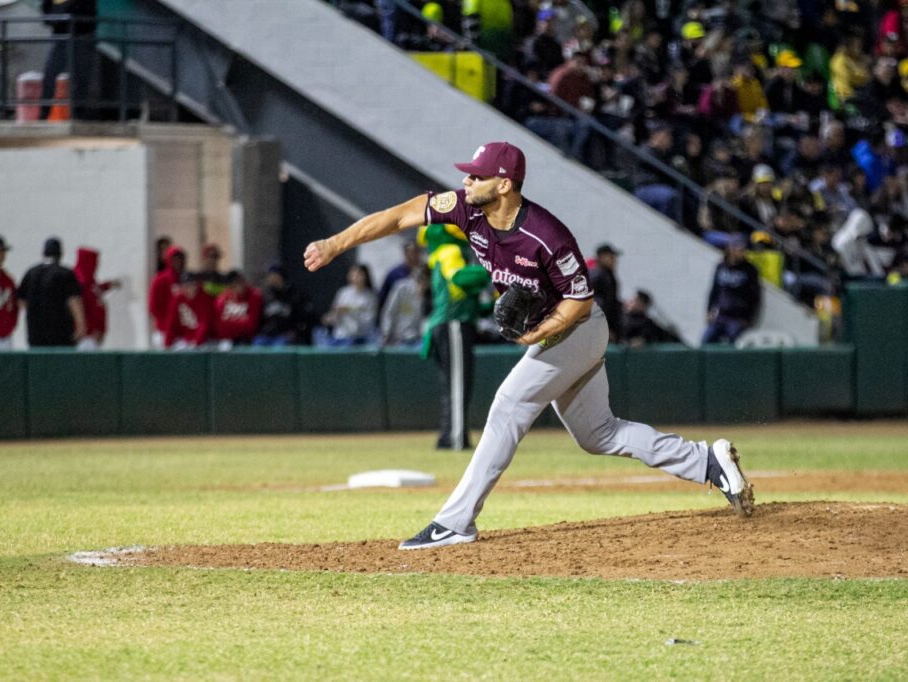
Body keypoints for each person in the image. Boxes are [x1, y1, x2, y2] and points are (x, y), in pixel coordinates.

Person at [303, 141, 754, 550]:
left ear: (503, 184)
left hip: (577, 330)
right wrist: (334, 243)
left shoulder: (546, 235)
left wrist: (533, 336)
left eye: (476, 175)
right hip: (562, 333)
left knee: (507, 405)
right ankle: (706, 462)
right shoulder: (465, 208)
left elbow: (580, 301)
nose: (466, 181)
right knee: (600, 435)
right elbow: (398, 215)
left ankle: (456, 522)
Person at [417, 222, 491, 450]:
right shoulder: (451, 251)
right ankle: (456, 438)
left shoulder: (443, 254)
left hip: (451, 323)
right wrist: (492, 269)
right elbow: (459, 279)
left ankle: (447, 437)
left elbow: (464, 297)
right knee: (459, 386)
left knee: (453, 386)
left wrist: (493, 303)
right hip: (453, 324)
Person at [17, 237, 85, 347]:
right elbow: (74, 301)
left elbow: (21, 302)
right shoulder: (66, 274)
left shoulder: (31, 273)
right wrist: (81, 325)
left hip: (36, 335)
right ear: (60, 254)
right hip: (61, 335)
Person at [702, 236, 762, 345]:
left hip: (738, 318)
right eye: (738, 248)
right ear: (730, 249)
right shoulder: (721, 267)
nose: (741, 252)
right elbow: (714, 290)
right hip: (721, 315)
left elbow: (755, 296)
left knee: (732, 343)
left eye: (743, 249)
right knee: (706, 340)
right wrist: (709, 310)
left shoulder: (750, 269)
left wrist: (749, 318)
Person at [317, 264, 377, 346]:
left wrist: (349, 311)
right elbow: (334, 315)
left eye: (359, 273)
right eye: (353, 273)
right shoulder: (343, 293)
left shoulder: (370, 296)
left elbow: (369, 320)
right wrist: (331, 317)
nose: (355, 276)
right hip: (341, 336)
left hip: (360, 337)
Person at [253, 265, 313, 346]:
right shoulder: (267, 295)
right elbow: (261, 318)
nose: (269, 278)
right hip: (268, 334)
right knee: (258, 344)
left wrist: (296, 332)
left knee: (279, 347)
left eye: (272, 275)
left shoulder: (294, 294)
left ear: (279, 276)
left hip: (286, 334)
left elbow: (303, 318)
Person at [73, 247, 120, 349]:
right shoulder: (79, 283)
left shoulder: (89, 281)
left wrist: (109, 285)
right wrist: (92, 329)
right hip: (86, 337)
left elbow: (95, 290)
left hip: (93, 337)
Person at [163, 272, 214, 350]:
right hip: (185, 340)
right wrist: (167, 344)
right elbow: (171, 323)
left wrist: (196, 343)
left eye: (190, 285)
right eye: (184, 286)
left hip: (206, 341)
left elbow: (204, 323)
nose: (187, 288)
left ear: (196, 285)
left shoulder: (205, 298)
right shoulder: (178, 299)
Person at [214, 270, 263, 350]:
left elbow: (251, 325)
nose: (240, 286)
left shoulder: (254, 296)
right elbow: (219, 326)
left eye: (241, 282)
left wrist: (229, 323)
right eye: (235, 284)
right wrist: (239, 322)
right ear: (230, 286)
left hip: (248, 339)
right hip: (227, 339)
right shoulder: (222, 299)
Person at [379, 265, 426, 348]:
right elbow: (390, 312)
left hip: (418, 339)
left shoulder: (429, 294)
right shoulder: (401, 288)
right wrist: (386, 333)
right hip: (399, 339)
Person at [148, 245, 185, 349]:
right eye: (175, 259)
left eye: (180, 259)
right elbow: (153, 306)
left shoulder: (185, 280)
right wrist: (165, 324)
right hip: (163, 331)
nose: (178, 262)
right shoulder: (160, 279)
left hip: (181, 333)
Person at [588, 243, 622, 342]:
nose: (614, 260)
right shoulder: (597, 275)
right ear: (602, 257)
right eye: (611, 256)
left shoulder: (607, 274)